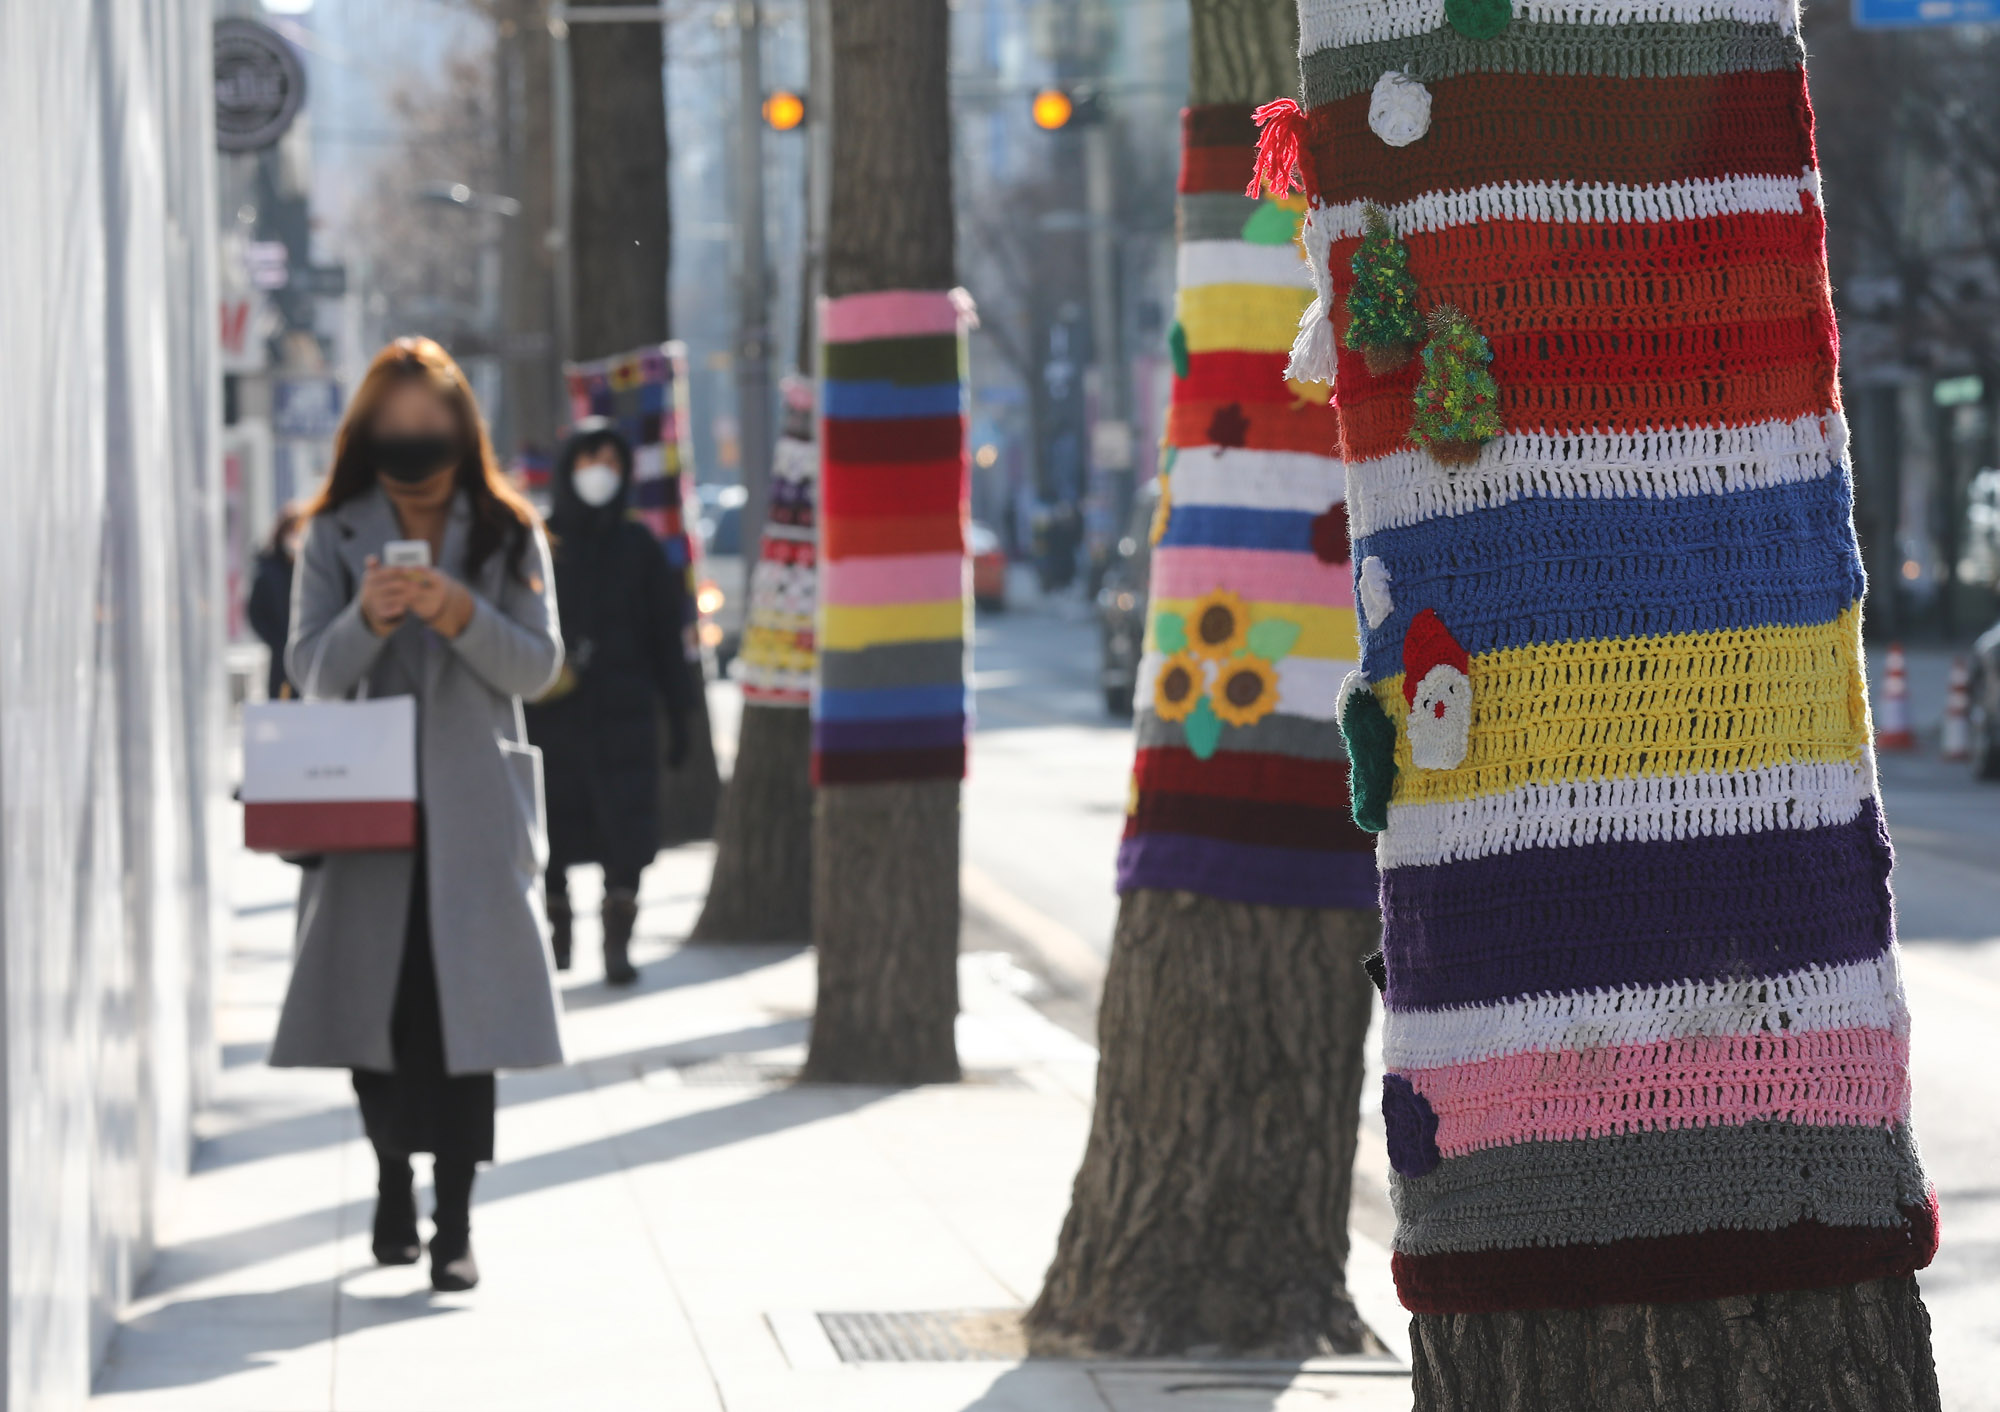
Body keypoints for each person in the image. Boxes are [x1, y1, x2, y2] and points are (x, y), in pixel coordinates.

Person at [269, 336, 565, 1293]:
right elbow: (312, 672)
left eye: (429, 420)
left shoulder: (508, 530)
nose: (412, 437)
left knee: (464, 1024)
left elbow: (539, 666)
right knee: (378, 1018)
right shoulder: (333, 532)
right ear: (367, 431)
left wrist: (458, 612)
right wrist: (374, 616)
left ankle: (457, 1220)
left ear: (460, 425)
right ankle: (393, 1179)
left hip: (474, 813)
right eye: (393, 422)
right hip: (366, 817)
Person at [525, 418, 691, 985]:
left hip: (626, 715)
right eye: (590, 461)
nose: (601, 474)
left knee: (628, 834)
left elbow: (668, 635)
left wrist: (681, 712)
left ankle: (618, 943)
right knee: (553, 831)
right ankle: (558, 933)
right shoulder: (541, 543)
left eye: (613, 464)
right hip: (551, 714)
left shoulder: (639, 545)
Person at [246, 503, 306, 700]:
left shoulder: (311, 570)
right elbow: (255, 612)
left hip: (306, 653)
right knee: (280, 703)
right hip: (280, 653)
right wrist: (275, 639)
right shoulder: (269, 570)